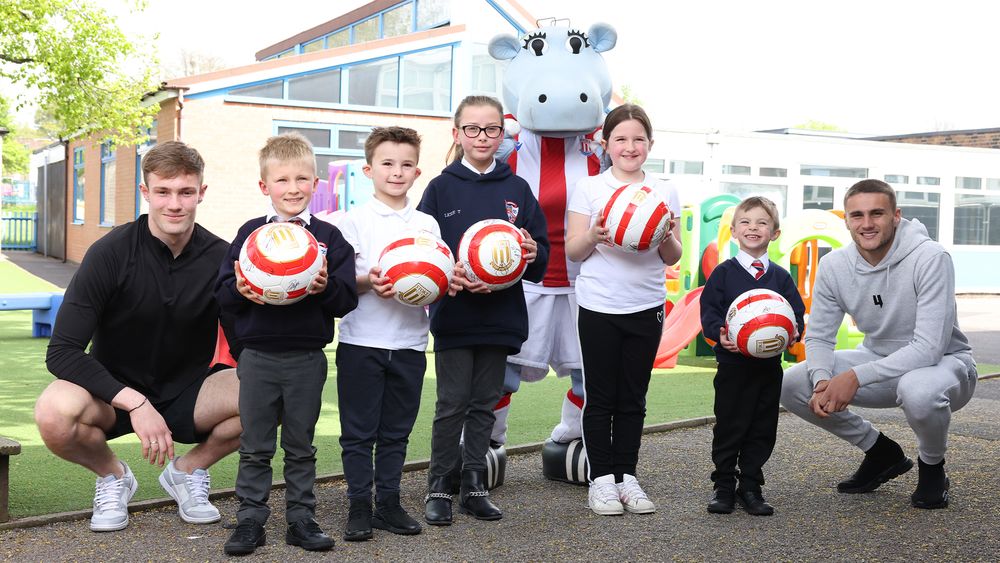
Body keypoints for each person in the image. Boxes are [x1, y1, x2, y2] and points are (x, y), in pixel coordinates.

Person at [36, 141, 240, 533]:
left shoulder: (222, 257)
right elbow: (61, 352)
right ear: (146, 193)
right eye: (163, 192)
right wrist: (135, 402)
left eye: (185, 191)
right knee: (52, 413)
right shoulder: (109, 253)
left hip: (190, 392)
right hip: (110, 393)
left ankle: (186, 472)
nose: (174, 204)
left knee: (274, 387)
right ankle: (113, 476)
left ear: (201, 192)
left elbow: (244, 343)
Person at [781, 179, 977, 510]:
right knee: (792, 383)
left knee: (919, 390)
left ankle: (932, 467)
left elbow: (929, 347)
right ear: (846, 220)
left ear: (896, 215)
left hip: (946, 365)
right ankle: (880, 452)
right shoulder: (835, 265)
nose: (867, 224)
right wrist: (822, 380)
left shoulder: (930, 257)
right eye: (857, 215)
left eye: (877, 213)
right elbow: (821, 335)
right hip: (880, 361)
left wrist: (855, 377)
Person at [216, 133, 357, 555]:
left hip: (306, 358)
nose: (292, 188)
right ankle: (250, 520)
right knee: (255, 444)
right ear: (265, 187)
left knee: (300, 444)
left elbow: (346, 299)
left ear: (316, 184)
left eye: (302, 179)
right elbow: (222, 294)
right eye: (282, 180)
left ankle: (301, 518)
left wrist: (323, 286)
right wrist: (241, 289)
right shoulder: (250, 234)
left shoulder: (329, 239)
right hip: (258, 357)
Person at [417, 95, 549, 525]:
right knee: (452, 401)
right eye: (472, 129)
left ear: (502, 134)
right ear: (457, 134)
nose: (482, 136)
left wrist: (531, 251)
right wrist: (446, 273)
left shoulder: (517, 189)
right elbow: (423, 250)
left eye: (491, 129)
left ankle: (474, 485)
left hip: (502, 316)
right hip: (455, 314)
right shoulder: (440, 187)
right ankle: (438, 486)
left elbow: (541, 254)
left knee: (485, 403)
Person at [565, 103, 682, 516]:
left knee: (633, 396)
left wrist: (664, 230)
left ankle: (626, 476)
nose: (630, 146)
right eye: (621, 139)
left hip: (646, 304)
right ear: (605, 143)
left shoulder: (665, 191)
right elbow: (573, 252)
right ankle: (601, 480)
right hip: (598, 304)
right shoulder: (589, 188)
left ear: (650, 143)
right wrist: (596, 233)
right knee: (601, 395)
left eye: (638, 139)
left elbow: (672, 255)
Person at [335, 126, 441, 541]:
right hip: (362, 341)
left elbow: (437, 276)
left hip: (411, 343)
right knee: (359, 432)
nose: (397, 172)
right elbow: (342, 283)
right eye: (387, 164)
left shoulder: (427, 224)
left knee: (397, 431)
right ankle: (359, 505)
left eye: (406, 165)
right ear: (369, 170)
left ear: (417, 172)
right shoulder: (353, 221)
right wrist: (369, 281)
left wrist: (452, 278)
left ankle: (389, 504)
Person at [699, 196, 805, 516]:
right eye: (745, 222)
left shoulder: (781, 277)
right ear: (734, 232)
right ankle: (724, 486)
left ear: (774, 232)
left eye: (762, 222)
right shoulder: (723, 273)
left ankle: (750, 486)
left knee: (762, 426)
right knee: (731, 425)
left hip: (768, 368)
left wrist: (793, 333)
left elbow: (795, 313)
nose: (753, 228)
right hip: (733, 366)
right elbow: (710, 312)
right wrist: (720, 332)